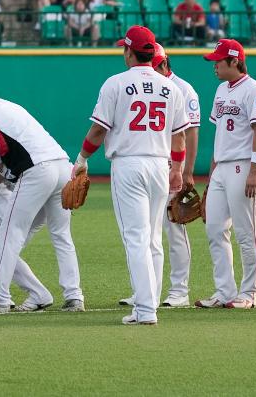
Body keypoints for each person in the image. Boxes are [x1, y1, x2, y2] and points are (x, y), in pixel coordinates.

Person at [74, 26, 185, 325]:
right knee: (153, 239)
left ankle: (146, 310)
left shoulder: (116, 83)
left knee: (135, 238)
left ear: (129, 51)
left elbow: (99, 130)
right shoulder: (170, 87)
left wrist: (82, 158)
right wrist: (178, 170)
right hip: (160, 165)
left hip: (129, 165)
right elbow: (179, 139)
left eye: (124, 48)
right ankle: (149, 305)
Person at [0, 75, 85, 313]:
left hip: (37, 173)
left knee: (5, 235)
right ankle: (74, 295)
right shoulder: (9, 106)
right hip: (61, 166)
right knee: (61, 234)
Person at [196, 38, 256, 310]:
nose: (214, 65)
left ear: (234, 61)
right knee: (215, 229)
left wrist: (255, 170)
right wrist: (211, 175)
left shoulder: (255, 91)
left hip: (245, 166)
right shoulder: (221, 90)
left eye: (218, 61)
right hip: (222, 167)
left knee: (245, 232)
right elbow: (220, 135)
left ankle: (249, 293)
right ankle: (224, 291)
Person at [149, 44, 201, 308]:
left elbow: (190, 133)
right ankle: (147, 290)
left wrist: (188, 171)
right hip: (154, 165)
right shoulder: (149, 85)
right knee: (147, 229)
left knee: (174, 227)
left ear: (162, 64)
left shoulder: (183, 89)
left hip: (174, 167)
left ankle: (179, 291)